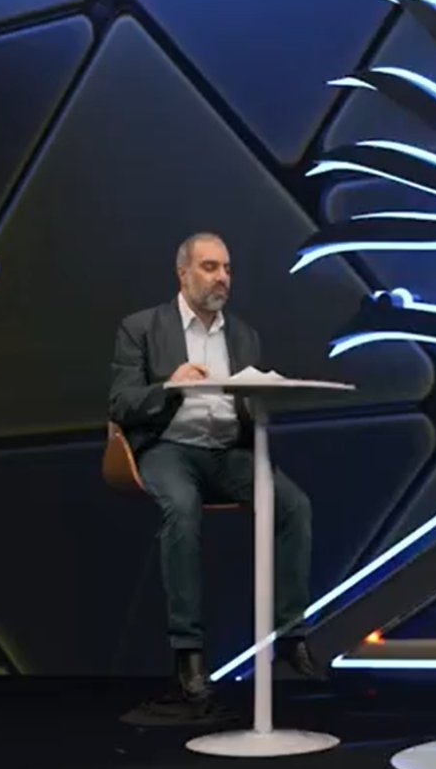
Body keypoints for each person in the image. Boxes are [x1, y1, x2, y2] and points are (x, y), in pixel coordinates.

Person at [108, 232, 323, 703]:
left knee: (293, 506)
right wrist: (169, 386)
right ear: (182, 273)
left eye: (227, 268)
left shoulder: (243, 335)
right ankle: (188, 652)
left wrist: (265, 396)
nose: (222, 277)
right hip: (170, 447)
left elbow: (249, 403)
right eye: (210, 267)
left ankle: (291, 635)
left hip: (229, 452)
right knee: (181, 509)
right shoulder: (142, 327)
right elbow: (121, 404)